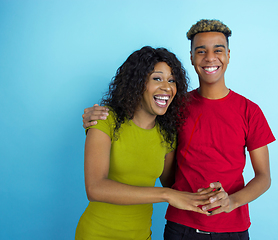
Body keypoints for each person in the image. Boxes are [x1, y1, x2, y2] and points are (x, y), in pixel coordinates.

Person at [82, 20, 275, 240]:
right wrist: (92, 119)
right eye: (201, 51)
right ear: (191, 57)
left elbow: (264, 177)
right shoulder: (175, 108)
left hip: (231, 228)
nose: (210, 57)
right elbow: (142, 131)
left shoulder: (249, 111)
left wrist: (231, 201)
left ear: (229, 55)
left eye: (218, 50)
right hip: (180, 228)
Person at [76, 46, 215, 240]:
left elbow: (174, 185)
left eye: (172, 80)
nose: (167, 87)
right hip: (97, 234)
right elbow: (95, 188)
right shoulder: (105, 119)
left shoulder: (167, 135)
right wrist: (165, 195)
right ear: (138, 83)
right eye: (157, 78)